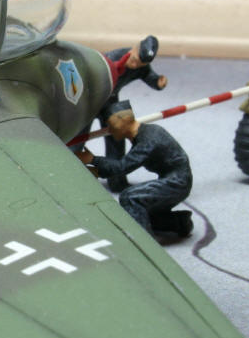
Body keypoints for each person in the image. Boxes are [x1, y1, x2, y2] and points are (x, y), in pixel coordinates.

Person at [76, 101, 193, 238]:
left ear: (123, 120)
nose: (109, 130)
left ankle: (145, 241)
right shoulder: (144, 134)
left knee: (131, 198)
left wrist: (92, 160)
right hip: (174, 178)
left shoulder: (148, 140)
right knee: (141, 212)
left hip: (178, 182)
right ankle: (179, 222)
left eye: (110, 124)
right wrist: (95, 167)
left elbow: (121, 167)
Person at [94, 35, 167, 192]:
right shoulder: (111, 58)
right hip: (91, 99)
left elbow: (148, 75)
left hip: (111, 101)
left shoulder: (141, 66)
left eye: (140, 64)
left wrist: (158, 82)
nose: (135, 65)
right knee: (78, 137)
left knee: (119, 136)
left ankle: (116, 180)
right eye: (134, 60)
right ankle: (70, 176)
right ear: (134, 48)